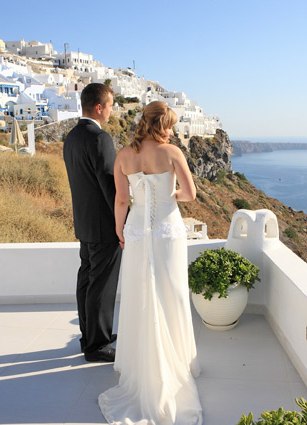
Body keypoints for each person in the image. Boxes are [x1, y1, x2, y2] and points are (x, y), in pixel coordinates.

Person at [98, 101, 202, 424]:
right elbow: (191, 193)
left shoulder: (124, 156)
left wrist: (120, 229)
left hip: (137, 233)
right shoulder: (172, 153)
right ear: (160, 125)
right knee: (171, 293)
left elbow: (121, 199)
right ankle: (178, 362)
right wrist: (172, 198)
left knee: (139, 296)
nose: (172, 131)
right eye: (169, 125)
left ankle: (140, 364)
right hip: (168, 231)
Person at [63, 83, 121, 363]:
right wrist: (122, 224)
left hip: (84, 223)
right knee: (102, 284)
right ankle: (98, 345)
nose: (112, 110)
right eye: (110, 105)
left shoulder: (72, 136)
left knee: (86, 279)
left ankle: (90, 335)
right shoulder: (100, 139)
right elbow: (110, 187)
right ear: (99, 107)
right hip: (103, 225)